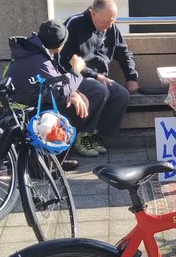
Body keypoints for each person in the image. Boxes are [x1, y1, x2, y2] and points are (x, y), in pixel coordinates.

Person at [8, 20, 121, 168]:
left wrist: (74, 93)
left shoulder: (36, 50)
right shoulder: (38, 59)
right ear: (60, 44)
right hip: (20, 116)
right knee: (76, 107)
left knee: (82, 98)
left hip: (28, 106)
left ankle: (55, 157)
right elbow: (60, 94)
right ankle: (45, 164)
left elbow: (56, 82)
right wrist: (76, 70)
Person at [60, 0, 135, 155]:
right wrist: (94, 75)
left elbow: (124, 52)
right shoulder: (74, 24)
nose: (109, 26)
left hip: (101, 76)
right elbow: (64, 60)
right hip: (76, 75)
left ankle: (96, 135)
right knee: (99, 90)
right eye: (105, 22)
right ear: (93, 13)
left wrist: (131, 77)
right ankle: (82, 135)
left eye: (112, 21)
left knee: (121, 94)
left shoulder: (110, 27)